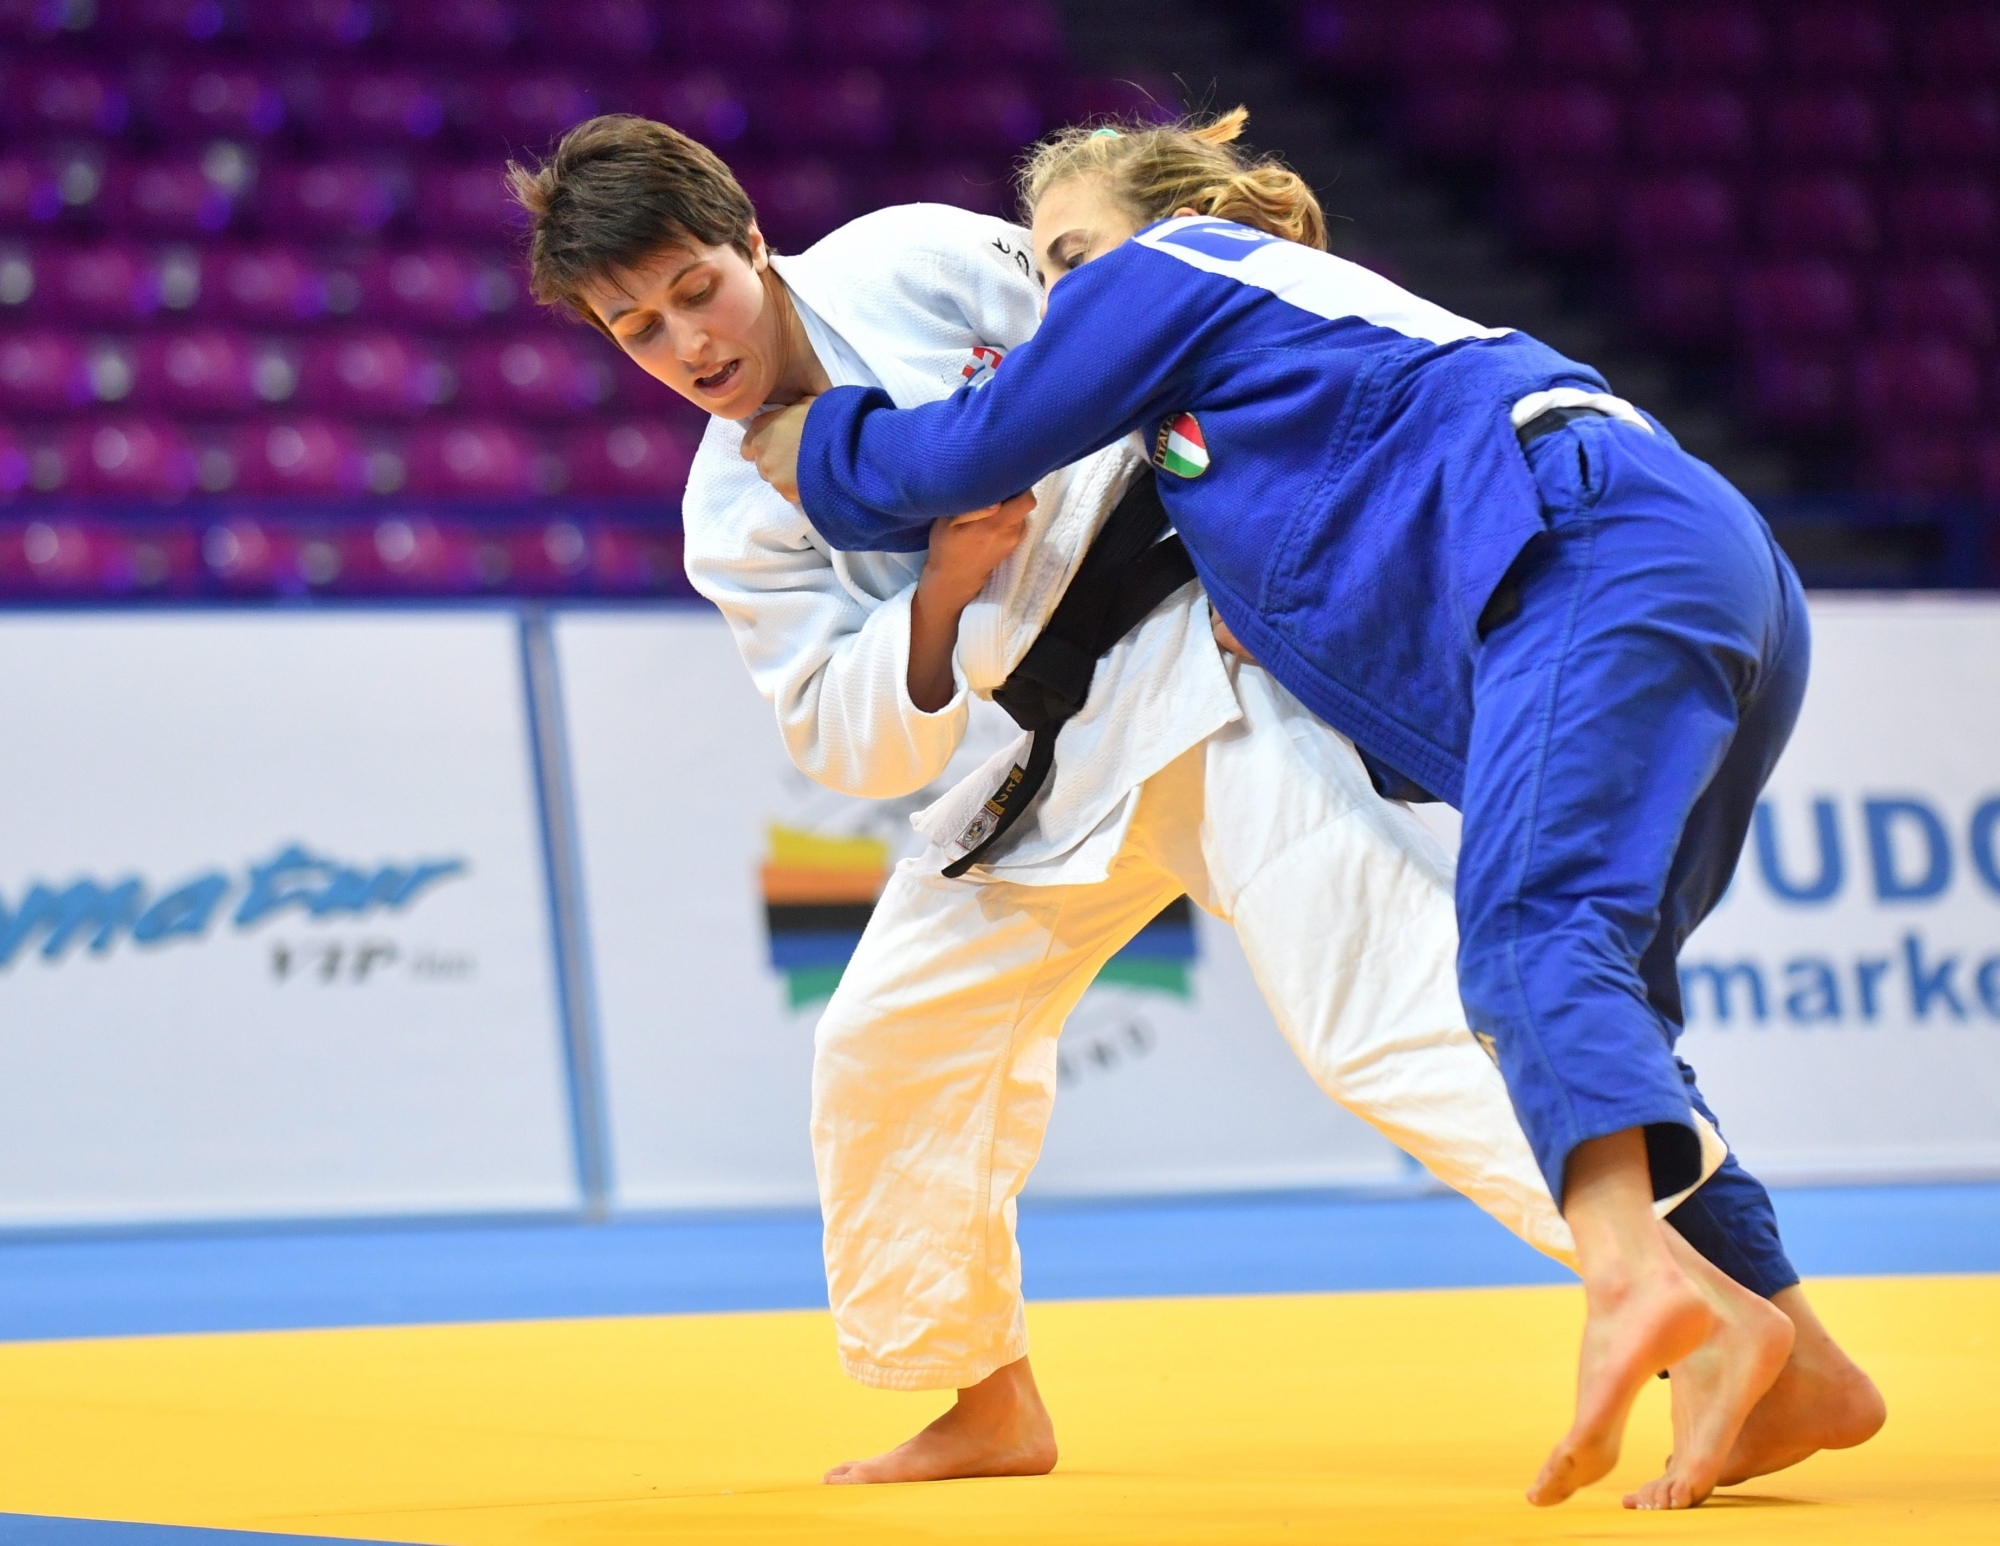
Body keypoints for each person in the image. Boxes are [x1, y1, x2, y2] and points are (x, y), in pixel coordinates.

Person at [506, 114, 1736, 1493]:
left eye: (695, 293)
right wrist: (941, 584)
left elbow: (1134, 337)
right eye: (636, 331)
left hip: (1196, 653)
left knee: (1386, 1015)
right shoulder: (731, 514)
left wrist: (1248, 556)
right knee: (884, 1043)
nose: (687, 346)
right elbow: (842, 737)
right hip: (1041, 763)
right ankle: (982, 1399)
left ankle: (1722, 1314)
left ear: (750, 238)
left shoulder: (911, 260)